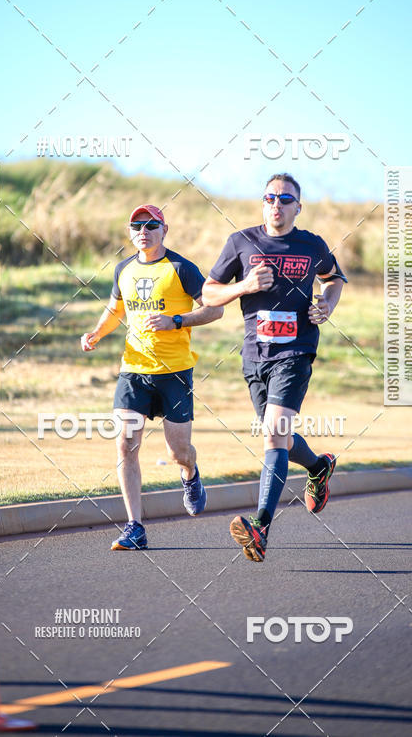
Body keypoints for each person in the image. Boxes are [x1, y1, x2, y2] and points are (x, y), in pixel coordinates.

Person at [202, 173, 347, 562]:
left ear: (298, 207)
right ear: (262, 203)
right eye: (270, 198)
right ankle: (318, 466)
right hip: (255, 355)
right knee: (277, 437)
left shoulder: (311, 244)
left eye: (286, 199)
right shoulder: (241, 242)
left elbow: (334, 279)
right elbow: (209, 292)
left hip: (296, 352)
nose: (277, 204)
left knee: (273, 434)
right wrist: (244, 286)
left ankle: (260, 527)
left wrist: (327, 305)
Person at [81, 203, 223, 550]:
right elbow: (116, 309)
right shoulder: (123, 270)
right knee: (126, 444)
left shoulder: (180, 268)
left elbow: (215, 309)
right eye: (136, 225)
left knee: (178, 452)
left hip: (174, 372)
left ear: (164, 230)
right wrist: (97, 333)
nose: (143, 231)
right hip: (134, 370)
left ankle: (190, 475)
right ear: (130, 232)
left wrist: (176, 321)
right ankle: (135, 527)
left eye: (151, 225)